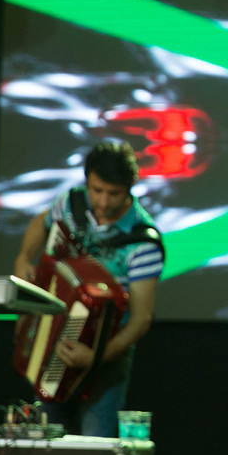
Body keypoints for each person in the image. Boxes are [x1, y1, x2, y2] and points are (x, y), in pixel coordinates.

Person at [13, 141, 164, 437]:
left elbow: (140, 320)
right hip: (53, 344)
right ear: (87, 181)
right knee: (44, 441)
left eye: (113, 193)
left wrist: (95, 357)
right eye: (97, 190)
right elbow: (41, 222)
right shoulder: (71, 204)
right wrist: (23, 258)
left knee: (95, 449)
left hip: (104, 364)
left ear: (130, 187)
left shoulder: (142, 243)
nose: (103, 201)